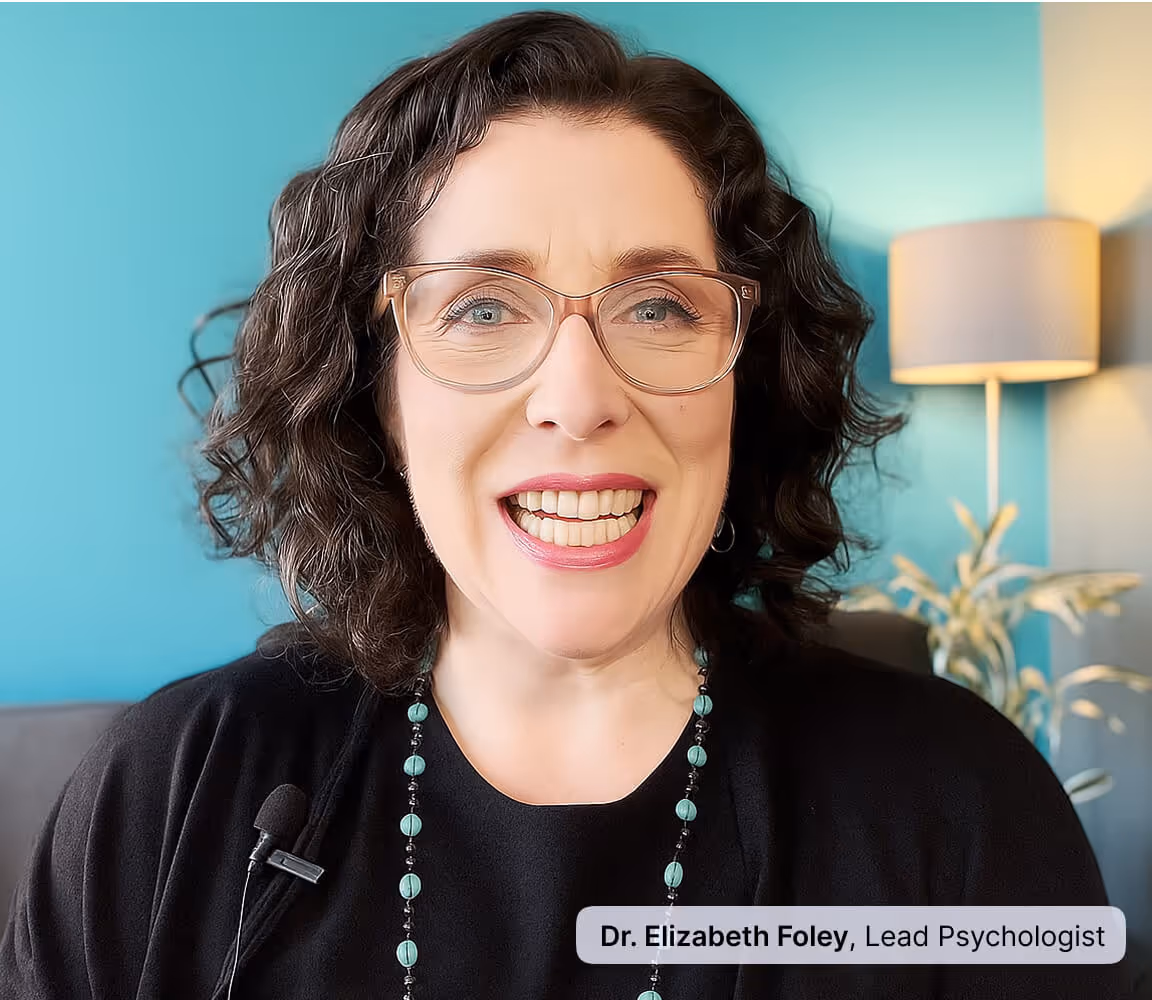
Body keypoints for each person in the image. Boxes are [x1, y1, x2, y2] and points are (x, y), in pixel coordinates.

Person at [0, 10, 1135, 1000]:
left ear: (747, 374)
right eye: (484, 308)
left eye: (659, 306)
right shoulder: (178, 787)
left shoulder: (959, 803)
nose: (580, 397)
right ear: (374, 392)